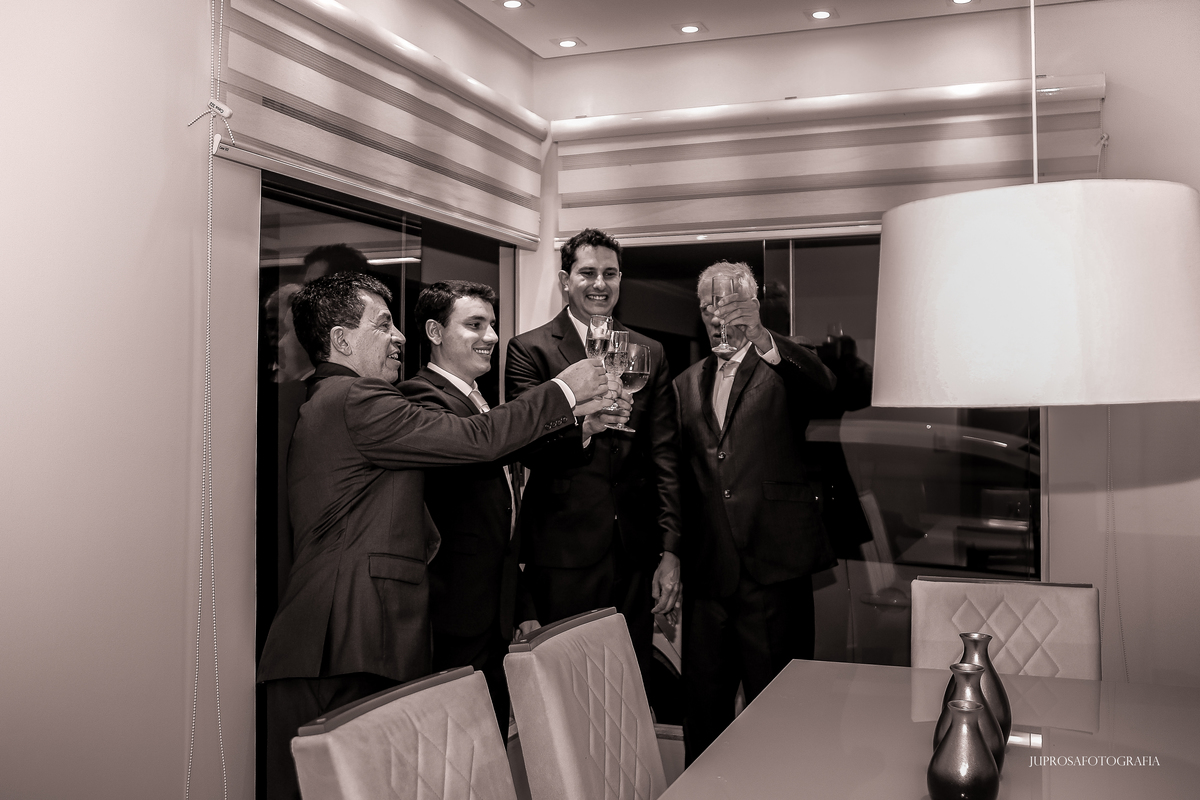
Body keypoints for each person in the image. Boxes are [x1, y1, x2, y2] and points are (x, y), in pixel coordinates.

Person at [256, 272, 611, 800]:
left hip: (356, 639)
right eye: (384, 324)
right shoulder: (357, 398)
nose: (399, 335)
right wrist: (562, 390)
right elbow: (475, 440)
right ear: (341, 341)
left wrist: (574, 423)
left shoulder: (343, 401)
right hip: (343, 638)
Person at [397, 280, 586, 736]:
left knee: (492, 746)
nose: (492, 337)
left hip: (492, 612)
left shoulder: (478, 401)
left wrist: (519, 605)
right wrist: (563, 391)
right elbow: (483, 450)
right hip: (451, 614)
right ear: (435, 332)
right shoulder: (421, 398)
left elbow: (499, 519)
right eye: (476, 325)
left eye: (493, 325)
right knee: (458, 748)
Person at [668, 261, 838, 763]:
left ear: (750, 306)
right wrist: (670, 551)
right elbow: (675, 476)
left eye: (726, 304)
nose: (716, 315)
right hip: (708, 577)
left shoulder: (781, 366)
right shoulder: (683, 385)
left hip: (774, 570)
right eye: (707, 306)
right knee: (704, 715)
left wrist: (764, 336)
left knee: (781, 715)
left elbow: (827, 388)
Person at [505, 228, 681, 683]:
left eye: (610, 273)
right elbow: (526, 445)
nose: (600, 284)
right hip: (563, 551)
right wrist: (584, 427)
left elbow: (664, 455)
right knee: (570, 683)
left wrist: (670, 549)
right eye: (587, 273)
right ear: (566, 280)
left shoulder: (650, 352)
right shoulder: (530, 350)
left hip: (636, 552)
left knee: (630, 681)